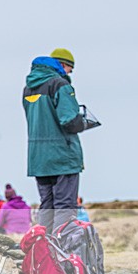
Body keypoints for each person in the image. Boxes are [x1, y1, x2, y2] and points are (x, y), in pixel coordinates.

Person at [23, 48, 88, 232]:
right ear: (62, 65)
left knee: (47, 205)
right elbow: (69, 121)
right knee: (65, 205)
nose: (69, 73)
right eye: (70, 69)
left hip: (38, 158)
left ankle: (44, 251)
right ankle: (62, 251)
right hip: (62, 156)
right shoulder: (60, 85)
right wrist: (82, 123)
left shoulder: (28, 88)